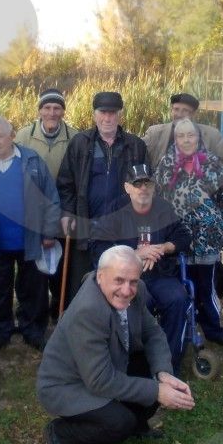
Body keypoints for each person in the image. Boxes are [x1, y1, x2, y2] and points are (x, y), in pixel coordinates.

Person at [36, 245, 195, 444]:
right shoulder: (87, 311)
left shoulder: (137, 289)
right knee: (118, 422)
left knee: (149, 371)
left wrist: (163, 372)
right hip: (67, 384)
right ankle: (62, 437)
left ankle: (137, 425)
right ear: (100, 277)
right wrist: (157, 391)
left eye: (132, 281)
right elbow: (100, 381)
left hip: (106, 366)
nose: (127, 290)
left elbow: (153, 332)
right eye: (119, 280)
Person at [0, 117, 61, 351]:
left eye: (0, 136)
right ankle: (1, 330)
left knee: (33, 289)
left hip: (30, 238)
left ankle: (33, 329)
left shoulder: (32, 160)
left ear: (12, 135)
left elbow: (52, 199)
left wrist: (49, 231)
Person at [90, 164, 192, 374]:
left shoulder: (164, 208)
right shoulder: (114, 210)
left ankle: (170, 367)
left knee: (178, 299)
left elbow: (183, 236)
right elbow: (98, 244)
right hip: (129, 279)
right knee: (135, 304)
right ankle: (135, 366)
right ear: (127, 187)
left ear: (154, 187)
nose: (143, 188)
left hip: (162, 275)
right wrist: (134, 254)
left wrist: (164, 247)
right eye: (137, 184)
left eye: (147, 183)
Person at [153, 118, 223, 347]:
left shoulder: (212, 164)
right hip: (178, 241)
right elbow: (157, 203)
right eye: (181, 136)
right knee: (182, 288)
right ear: (175, 138)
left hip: (208, 240)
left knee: (206, 287)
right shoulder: (165, 165)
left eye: (191, 135)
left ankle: (214, 332)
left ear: (198, 137)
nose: (186, 140)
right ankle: (186, 331)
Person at [57, 91, 148, 303]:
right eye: (103, 112)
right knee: (83, 284)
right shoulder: (80, 143)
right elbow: (65, 184)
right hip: (86, 226)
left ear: (120, 115)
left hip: (123, 229)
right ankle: (80, 329)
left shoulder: (136, 146)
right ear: (94, 114)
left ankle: (121, 329)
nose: (107, 118)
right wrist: (67, 214)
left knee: (120, 281)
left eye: (112, 113)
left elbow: (144, 187)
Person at [14, 88, 76, 320]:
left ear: (63, 111)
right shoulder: (23, 136)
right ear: (39, 110)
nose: (52, 112)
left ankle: (57, 306)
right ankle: (28, 306)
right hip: (30, 210)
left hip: (62, 207)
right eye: (47, 108)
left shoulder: (74, 136)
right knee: (30, 263)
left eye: (57, 108)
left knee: (59, 263)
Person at [143, 92, 223, 169]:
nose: (179, 114)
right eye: (176, 109)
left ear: (194, 114)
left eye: (185, 111)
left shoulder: (212, 135)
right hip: (161, 186)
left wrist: (215, 178)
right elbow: (135, 152)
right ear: (171, 110)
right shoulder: (155, 133)